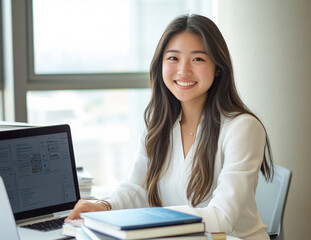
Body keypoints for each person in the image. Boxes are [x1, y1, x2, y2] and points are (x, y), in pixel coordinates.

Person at [67, 14, 274, 240]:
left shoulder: (242, 128)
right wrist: (104, 207)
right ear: (160, 65)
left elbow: (222, 218)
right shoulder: (158, 125)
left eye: (198, 59)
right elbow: (138, 187)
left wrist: (149, 218)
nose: (183, 71)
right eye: (173, 58)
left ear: (218, 68)